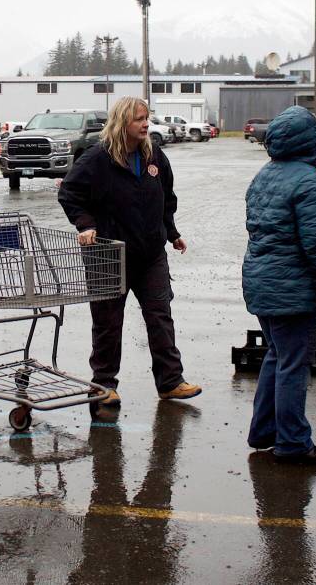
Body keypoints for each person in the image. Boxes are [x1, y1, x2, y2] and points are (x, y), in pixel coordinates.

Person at [58, 96, 201, 406]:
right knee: (108, 322)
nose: (146, 124)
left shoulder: (155, 157)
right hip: (108, 255)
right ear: (123, 122)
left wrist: (172, 233)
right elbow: (70, 194)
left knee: (160, 316)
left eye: (147, 118)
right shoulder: (98, 158)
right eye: (139, 119)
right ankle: (104, 385)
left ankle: (170, 382)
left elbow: (167, 199)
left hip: (150, 255)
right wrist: (85, 224)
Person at [242, 105, 316, 464]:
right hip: (291, 289)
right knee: (293, 363)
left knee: (277, 356)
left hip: (261, 283)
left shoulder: (264, 176)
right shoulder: (308, 182)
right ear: (310, 142)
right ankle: (293, 444)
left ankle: (264, 432)